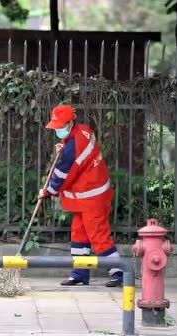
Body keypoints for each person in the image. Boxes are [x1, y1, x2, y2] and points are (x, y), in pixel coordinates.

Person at [38, 104, 123, 287]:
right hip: (88, 195)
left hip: (92, 197)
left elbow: (62, 174)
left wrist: (47, 192)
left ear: (70, 123)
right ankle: (80, 273)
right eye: (56, 127)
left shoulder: (72, 147)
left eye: (61, 126)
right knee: (79, 234)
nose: (58, 130)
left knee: (98, 234)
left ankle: (119, 272)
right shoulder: (82, 132)